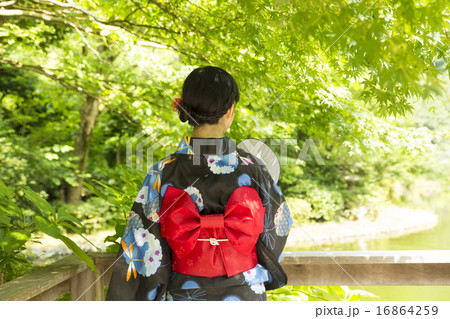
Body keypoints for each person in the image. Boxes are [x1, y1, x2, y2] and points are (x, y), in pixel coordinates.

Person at [105, 66, 293, 301]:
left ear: (187, 109)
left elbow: (143, 242)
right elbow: (279, 224)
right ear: (229, 111)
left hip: (185, 294)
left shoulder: (163, 171)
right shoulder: (253, 167)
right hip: (245, 293)